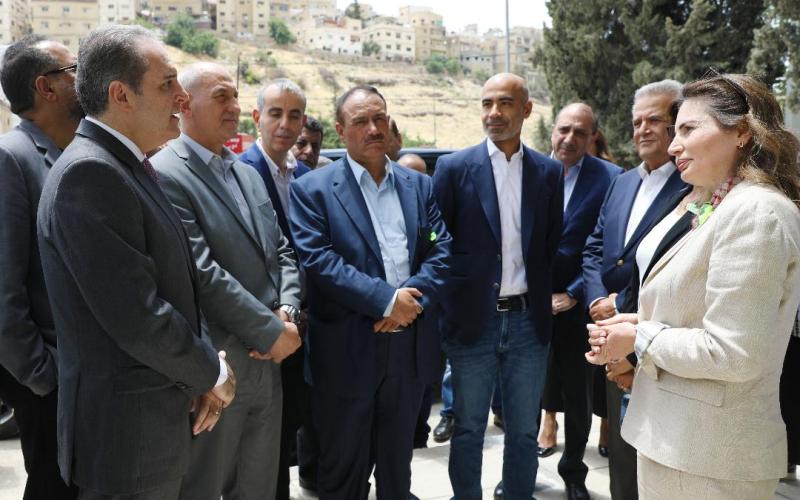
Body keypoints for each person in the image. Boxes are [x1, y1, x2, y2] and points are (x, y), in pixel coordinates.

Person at [36, 25, 236, 499]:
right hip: (127, 444)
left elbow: (178, 284)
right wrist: (212, 373)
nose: (182, 96)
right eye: (167, 83)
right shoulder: (90, 173)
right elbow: (137, 315)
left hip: (151, 432)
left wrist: (201, 368)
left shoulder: (127, 165)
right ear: (120, 95)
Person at [586, 73, 800, 500]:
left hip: (710, 456)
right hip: (674, 441)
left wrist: (637, 337)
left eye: (687, 129)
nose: (673, 146)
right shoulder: (712, 200)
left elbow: (733, 353)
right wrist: (632, 323)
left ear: (742, 132)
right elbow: (690, 307)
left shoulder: (757, 213)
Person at [288, 85, 451, 499]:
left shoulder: (419, 186)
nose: (374, 129)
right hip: (347, 353)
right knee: (344, 474)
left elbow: (441, 249)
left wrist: (409, 300)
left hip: (407, 350)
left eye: (380, 118)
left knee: (398, 473)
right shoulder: (312, 189)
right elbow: (319, 260)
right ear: (341, 130)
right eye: (361, 121)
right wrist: (386, 301)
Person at [150, 63, 302, 500]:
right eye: (221, 96)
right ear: (184, 104)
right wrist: (270, 331)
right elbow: (202, 272)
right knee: (204, 486)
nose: (234, 106)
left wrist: (287, 313)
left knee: (257, 487)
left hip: (269, 360)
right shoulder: (164, 173)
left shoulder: (246, 172)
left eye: (235, 96)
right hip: (217, 365)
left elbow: (282, 252)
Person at [432, 73, 563, 500]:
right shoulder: (454, 168)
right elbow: (436, 241)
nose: (494, 113)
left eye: (505, 103)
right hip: (473, 321)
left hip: (528, 322)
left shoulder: (548, 172)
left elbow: (550, 244)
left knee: (523, 430)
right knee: (468, 428)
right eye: (487, 103)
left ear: (526, 109)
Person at [581, 79, 686, 500]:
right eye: (637, 122)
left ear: (677, 124)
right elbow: (595, 247)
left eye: (653, 121)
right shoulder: (622, 182)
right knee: (623, 460)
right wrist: (597, 300)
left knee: (661, 463)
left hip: (660, 338)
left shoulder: (694, 186)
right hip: (612, 337)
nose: (642, 130)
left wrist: (620, 306)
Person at [0, 35, 81, 500]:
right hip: (49, 380)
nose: (84, 80)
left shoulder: (67, 153)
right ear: (45, 87)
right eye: (74, 71)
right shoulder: (12, 157)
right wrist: (42, 376)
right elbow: (4, 289)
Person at [536, 103, 622, 499]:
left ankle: (574, 473)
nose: (570, 139)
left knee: (578, 393)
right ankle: (518, 469)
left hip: (577, 305)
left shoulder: (610, 178)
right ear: (553, 130)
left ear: (592, 137)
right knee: (524, 391)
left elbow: (604, 246)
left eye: (580, 133)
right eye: (564, 129)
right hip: (528, 303)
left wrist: (572, 293)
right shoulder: (530, 170)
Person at [237, 78, 311, 500]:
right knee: (261, 449)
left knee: (290, 431)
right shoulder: (239, 173)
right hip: (261, 330)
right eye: (275, 113)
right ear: (256, 117)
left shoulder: (306, 177)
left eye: (294, 115)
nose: (285, 124)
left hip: (300, 325)